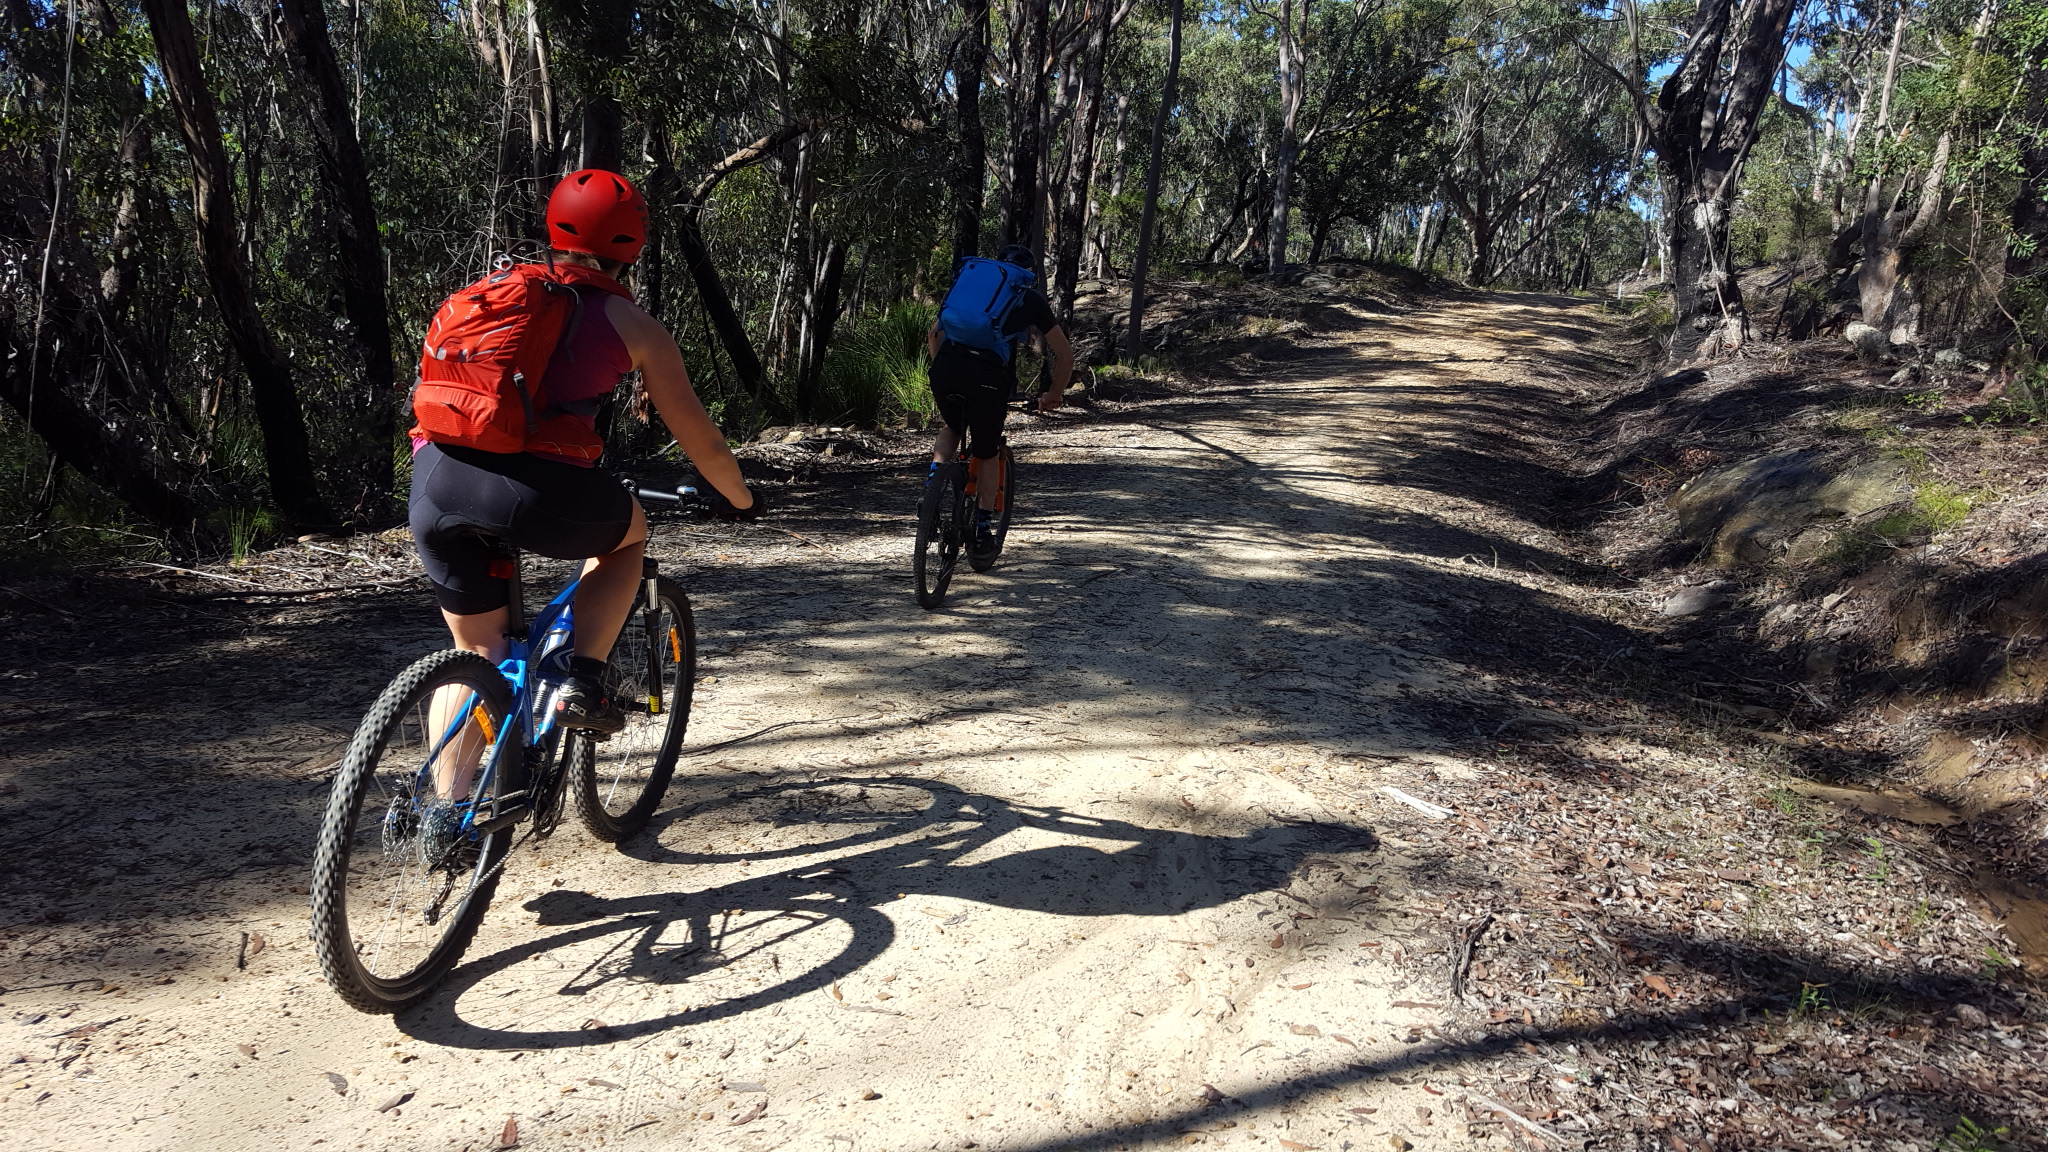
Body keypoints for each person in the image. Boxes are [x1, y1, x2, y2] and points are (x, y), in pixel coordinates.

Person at [409, 169, 756, 752]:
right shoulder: (634, 326)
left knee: (477, 653)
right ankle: (583, 682)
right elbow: (705, 445)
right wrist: (741, 499)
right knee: (628, 535)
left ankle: (448, 805)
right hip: (530, 490)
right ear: (633, 245)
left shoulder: (491, 294)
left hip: (434, 478)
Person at [925, 243, 1074, 556]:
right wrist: (1054, 393)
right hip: (987, 378)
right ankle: (982, 531)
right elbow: (1064, 355)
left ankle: (931, 490)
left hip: (946, 368)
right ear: (1027, 275)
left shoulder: (969, 286)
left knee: (952, 427)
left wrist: (941, 369)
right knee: (988, 452)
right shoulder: (1029, 297)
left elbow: (933, 333)